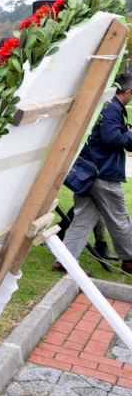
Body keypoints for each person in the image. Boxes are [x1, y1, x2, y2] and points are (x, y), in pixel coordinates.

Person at [56, 72, 132, 274]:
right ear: (127, 92)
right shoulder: (112, 108)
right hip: (103, 173)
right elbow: (112, 139)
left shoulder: (105, 104)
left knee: (83, 219)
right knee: (119, 218)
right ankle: (130, 260)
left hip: (90, 172)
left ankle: (65, 261)